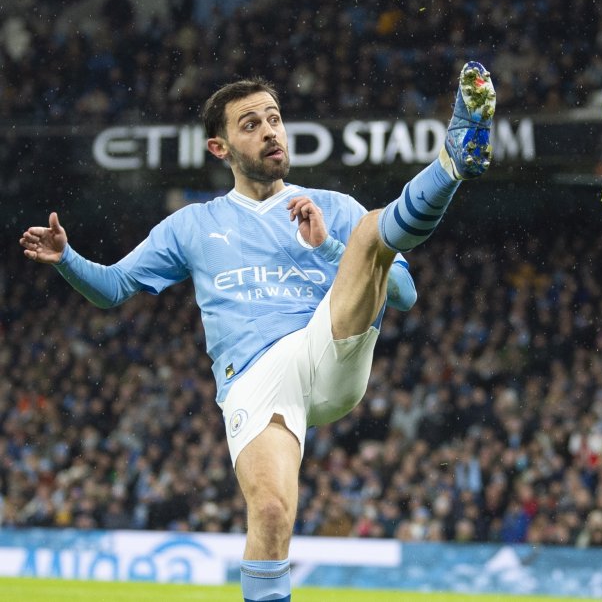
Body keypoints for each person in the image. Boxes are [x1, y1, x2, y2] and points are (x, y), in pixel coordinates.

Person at [19, 61, 497, 602]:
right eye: (250, 124)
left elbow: (405, 294)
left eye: (274, 119)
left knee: (368, 231)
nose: (270, 131)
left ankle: (452, 162)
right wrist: (67, 259)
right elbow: (112, 288)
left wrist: (329, 248)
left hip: (327, 347)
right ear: (219, 148)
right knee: (269, 513)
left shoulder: (331, 207)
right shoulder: (192, 225)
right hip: (253, 380)